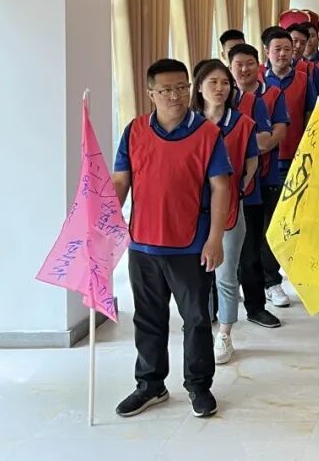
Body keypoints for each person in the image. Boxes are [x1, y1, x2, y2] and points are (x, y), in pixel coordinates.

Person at [111, 59, 232, 419]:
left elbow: (221, 186)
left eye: (181, 87)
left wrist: (215, 238)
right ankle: (150, 385)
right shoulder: (134, 131)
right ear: (151, 94)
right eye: (166, 90)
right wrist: (102, 223)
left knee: (196, 319)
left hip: (190, 245)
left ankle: (199, 385)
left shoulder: (207, 133)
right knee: (148, 318)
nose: (175, 96)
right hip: (143, 244)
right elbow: (120, 181)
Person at [189, 60, 259, 365]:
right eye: (213, 82)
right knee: (196, 276)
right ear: (199, 87)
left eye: (225, 83)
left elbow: (252, 161)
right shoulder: (188, 123)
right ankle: (201, 327)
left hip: (229, 208)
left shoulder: (242, 123)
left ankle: (225, 334)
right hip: (192, 211)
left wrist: (238, 189)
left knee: (225, 275)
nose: (219, 88)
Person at [262, 26, 319, 307]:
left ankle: (297, 271)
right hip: (268, 163)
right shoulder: (258, 81)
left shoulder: (304, 79)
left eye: (287, 49)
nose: (283, 54)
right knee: (272, 221)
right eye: (277, 49)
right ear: (267, 51)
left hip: (299, 160)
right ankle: (270, 281)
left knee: (299, 218)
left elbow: (314, 117)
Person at [227, 44, 286, 330]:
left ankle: (256, 306)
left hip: (251, 185)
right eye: (238, 64)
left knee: (252, 247)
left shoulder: (257, 101)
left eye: (249, 63)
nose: (244, 69)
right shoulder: (204, 107)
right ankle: (215, 308)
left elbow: (265, 141)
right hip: (213, 191)